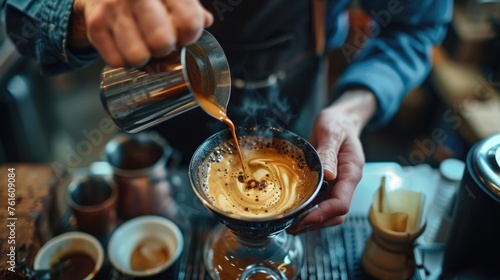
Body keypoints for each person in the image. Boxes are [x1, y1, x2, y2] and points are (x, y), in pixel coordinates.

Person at [3, 0, 452, 235]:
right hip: (166, 121)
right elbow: (24, 15)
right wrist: (85, 11)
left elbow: (417, 25)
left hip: (304, 114)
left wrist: (350, 113)